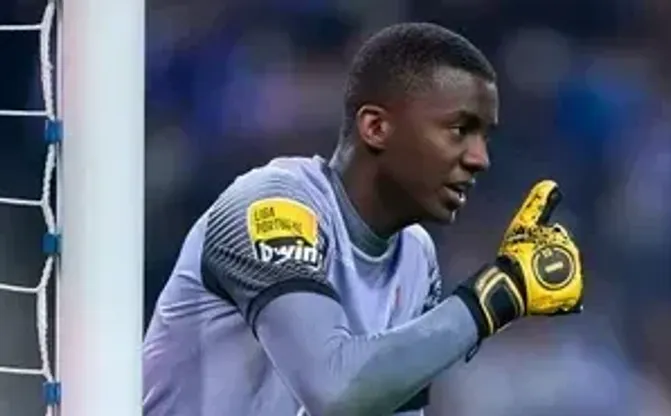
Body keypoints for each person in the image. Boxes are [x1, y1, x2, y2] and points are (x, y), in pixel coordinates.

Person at [142, 22, 584, 416]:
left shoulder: (415, 254)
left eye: (485, 137)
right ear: (375, 127)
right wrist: (494, 297)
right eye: (459, 130)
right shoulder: (270, 207)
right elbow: (334, 393)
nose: (480, 159)